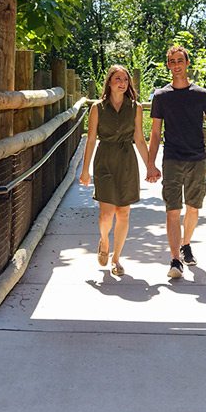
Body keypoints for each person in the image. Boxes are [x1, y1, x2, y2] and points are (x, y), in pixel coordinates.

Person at [147, 45, 206, 279]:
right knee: (172, 210)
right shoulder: (161, 96)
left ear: (187, 63)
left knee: (193, 208)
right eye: (172, 61)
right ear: (168, 65)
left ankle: (186, 244)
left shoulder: (201, 94)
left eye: (180, 61)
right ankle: (175, 260)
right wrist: (150, 163)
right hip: (172, 158)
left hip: (197, 157)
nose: (176, 65)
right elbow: (155, 134)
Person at [79, 65, 155, 276]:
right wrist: (85, 170)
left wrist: (150, 166)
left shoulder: (136, 108)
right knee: (106, 215)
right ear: (109, 83)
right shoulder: (97, 108)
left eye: (125, 79)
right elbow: (91, 139)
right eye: (117, 79)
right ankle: (104, 242)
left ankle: (116, 258)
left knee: (123, 212)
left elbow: (139, 139)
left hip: (127, 161)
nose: (122, 83)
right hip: (104, 159)